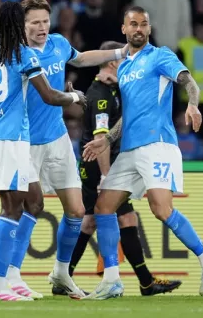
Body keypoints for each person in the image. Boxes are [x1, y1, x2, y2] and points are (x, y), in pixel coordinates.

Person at [81, 6, 203, 300]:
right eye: (133, 24)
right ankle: (112, 280)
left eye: (143, 24)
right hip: (129, 150)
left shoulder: (160, 56)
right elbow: (128, 116)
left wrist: (193, 104)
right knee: (103, 207)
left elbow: (189, 81)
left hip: (157, 144)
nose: (139, 29)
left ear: (149, 28)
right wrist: (107, 140)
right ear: (124, 29)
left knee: (161, 209)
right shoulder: (124, 68)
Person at [5, 0, 128, 299]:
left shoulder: (58, 43)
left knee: (76, 210)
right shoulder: (15, 54)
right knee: (26, 208)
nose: (42, 27)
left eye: (45, 21)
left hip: (57, 138)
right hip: (25, 142)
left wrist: (119, 52)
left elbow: (82, 58)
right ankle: (11, 275)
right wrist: (71, 97)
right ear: (22, 24)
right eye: (35, 22)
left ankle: (61, 274)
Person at [0, 1, 87, 302]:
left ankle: (11, 277)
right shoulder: (22, 54)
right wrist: (75, 96)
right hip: (13, 137)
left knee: (33, 202)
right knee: (11, 209)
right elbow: (49, 96)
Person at [53, 41, 182, 297]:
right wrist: (106, 176)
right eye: (123, 60)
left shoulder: (109, 89)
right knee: (121, 219)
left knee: (91, 222)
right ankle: (144, 282)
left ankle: (65, 277)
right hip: (98, 165)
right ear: (113, 62)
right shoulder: (101, 94)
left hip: (100, 164)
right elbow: (100, 137)